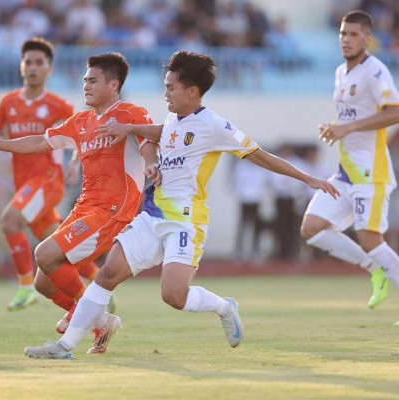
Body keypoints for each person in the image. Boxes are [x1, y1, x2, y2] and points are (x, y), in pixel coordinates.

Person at [23, 50, 339, 359]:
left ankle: (224, 306)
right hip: (151, 215)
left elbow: (259, 155)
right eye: (165, 86)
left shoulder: (215, 125)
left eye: (171, 87)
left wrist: (306, 178)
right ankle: (64, 346)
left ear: (192, 91)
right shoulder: (173, 117)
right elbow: (165, 132)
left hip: (185, 220)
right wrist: (130, 129)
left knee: (173, 296)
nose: (165, 93)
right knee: (107, 275)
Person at [0, 51, 161, 350]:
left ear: (113, 85)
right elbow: (40, 142)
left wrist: (152, 164)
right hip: (84, 209)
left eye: (93, 80)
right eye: (85, 80)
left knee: (43, 253)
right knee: (43, 282)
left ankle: (90, 318)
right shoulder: (80, 122)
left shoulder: (131, 114)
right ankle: (101, 321)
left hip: (112, 211)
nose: (86, 85)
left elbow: (148, 145)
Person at [0, 37, 97, 312]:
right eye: (28, 62)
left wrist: (74, 162)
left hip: (47, 181)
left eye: (39, 63)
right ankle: (92, 290)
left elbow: (78, 136)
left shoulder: (59, 106)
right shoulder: (8, 102)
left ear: (49, 69)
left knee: (9, 221)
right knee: (59, 247)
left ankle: (25, 286)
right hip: (24, 183)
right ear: (21, 67)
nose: (33, 67)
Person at [300, 10, 399, 315]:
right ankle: (376, 268)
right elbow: (353, 115)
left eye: (354, 34)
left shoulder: (375, 70)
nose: (346, 39)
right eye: (343, 33)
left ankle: (380, 265)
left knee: (371, 240)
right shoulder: (341, 72)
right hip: (346, 173)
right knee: (312, 228)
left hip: (371, 172)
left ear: (368, 39)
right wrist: (336, 126)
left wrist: (348, 128)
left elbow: (394, 111)